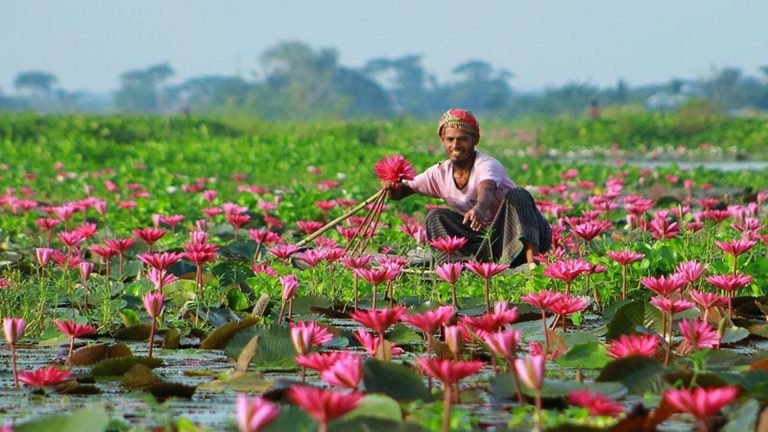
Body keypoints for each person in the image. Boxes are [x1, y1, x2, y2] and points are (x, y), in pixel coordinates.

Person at [386, 108, 551, 270]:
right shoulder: (439, 173)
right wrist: (391, 187)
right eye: (450, 139)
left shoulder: (487, 165)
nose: (456, 145)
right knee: (435, 216)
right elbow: (401, 192)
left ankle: (533, 266)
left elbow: (486, 188)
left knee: (519, 195)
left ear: (475, 140)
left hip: (521, 234)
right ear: (442, 141)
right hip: (488, 243)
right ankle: (458, 268)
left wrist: (479, 208)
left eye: (463, 139)